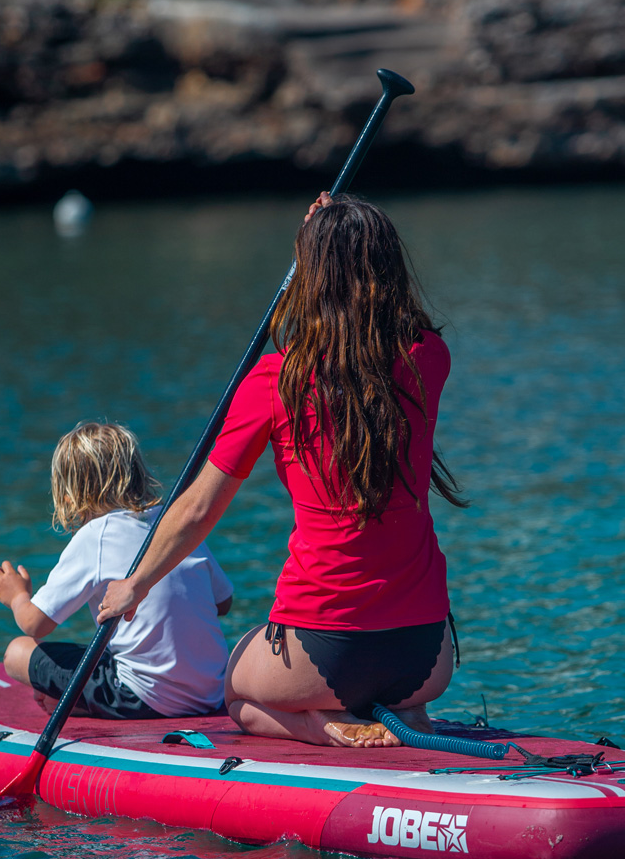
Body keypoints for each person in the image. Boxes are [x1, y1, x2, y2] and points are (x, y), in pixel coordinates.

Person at [96, 193, 466, 746]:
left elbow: (198, 509)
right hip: (426, 659)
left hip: (327, 653)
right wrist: (328, 240)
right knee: (381, 678)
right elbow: (404, 323)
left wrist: (135, 584)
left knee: (237, 694)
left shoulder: (276, 382)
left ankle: (329, 731)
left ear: (311, 280)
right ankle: (402, 715)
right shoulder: (428, 359)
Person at [0, 421, 234, 720]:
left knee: (17, 652)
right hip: (213, 692)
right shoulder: (176, 524)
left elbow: (35, 625)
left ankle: (79, 703)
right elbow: (223, 603)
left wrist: (16, 596)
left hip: (145, 698)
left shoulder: (95, 536)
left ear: (69, 495)